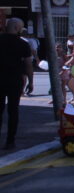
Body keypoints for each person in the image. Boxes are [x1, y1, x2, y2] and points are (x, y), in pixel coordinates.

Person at [1, 19, 34, 149]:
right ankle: (10, 141)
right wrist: (31, 82)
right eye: (21, 27)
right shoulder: (23, 44)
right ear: (16, 28)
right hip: (15, 80)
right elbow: (28, 65)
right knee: (13, 111)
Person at [21, 29, 38, 96]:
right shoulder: (29, 41)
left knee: (22, 75)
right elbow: (34, 51)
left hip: (20, 60)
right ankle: (22, 90)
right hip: (28, 60)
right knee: (25, 75)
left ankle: (21, 90)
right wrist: (37, 59)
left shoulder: (18, 40)